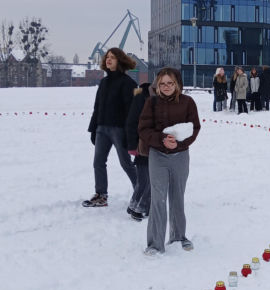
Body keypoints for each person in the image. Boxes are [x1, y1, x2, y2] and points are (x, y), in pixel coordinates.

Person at [138, 67, 201, 255]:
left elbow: (194, 127)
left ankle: (179, 236)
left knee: (177, 197)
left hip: (180, 155)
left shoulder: (188, 102)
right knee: (158, 199)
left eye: (170, 83)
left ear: (177, 84)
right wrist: (161, 140)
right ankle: (155, 244)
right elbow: (143, 128)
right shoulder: (151, 103)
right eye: (162, 83)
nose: (166, 86)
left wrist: (180, 142)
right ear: (158, 85)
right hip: (158, 156)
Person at [83, 47, 137, 208]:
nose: (108, 59)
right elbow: (97, 107)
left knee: (126, 163)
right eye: (107, 57)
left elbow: (132, 111)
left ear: (120, 61)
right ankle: (101, 195)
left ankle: (142, 191)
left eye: (113, 57)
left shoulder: (128, 83)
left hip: (119, 130)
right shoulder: (104, 82)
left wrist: (130, 134)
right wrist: (93, 129)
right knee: (98, 162)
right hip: (102, 129)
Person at [125, 80, 152, 220]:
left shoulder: (165, 98)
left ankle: (136, 205)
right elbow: (131, 122)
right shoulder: (141, 97)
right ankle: (139, 207)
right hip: (142, 145)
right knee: (146, 179)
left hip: (155, 144)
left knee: (148, 179)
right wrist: (132, 145)